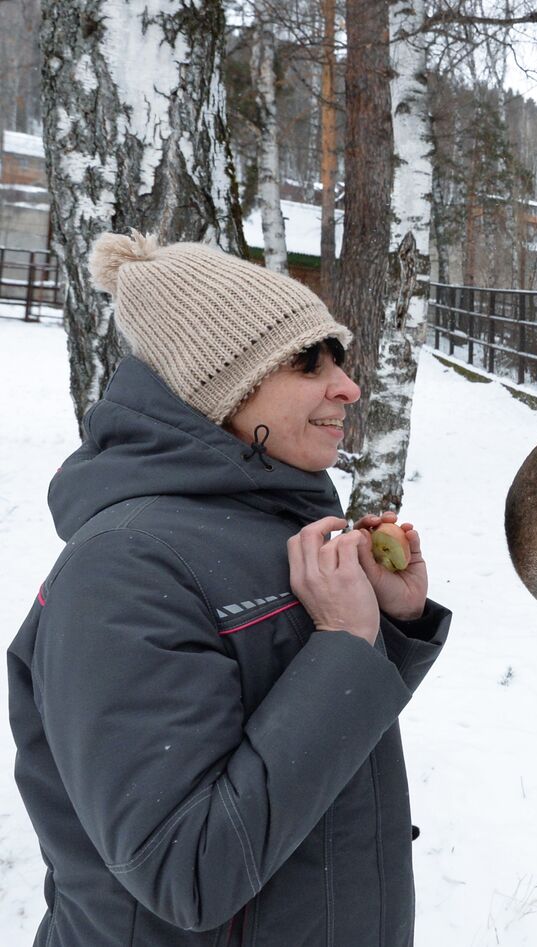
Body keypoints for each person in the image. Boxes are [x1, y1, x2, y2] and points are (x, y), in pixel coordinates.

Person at [8, 231, 451, 946]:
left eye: (339, 360)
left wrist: (385, 628)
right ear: (220, 385)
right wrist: (342, 642)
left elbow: (299, 736)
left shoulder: (267, 526)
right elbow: (186, 869)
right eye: (309, 365)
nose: (348, 386)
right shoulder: (121, 571)